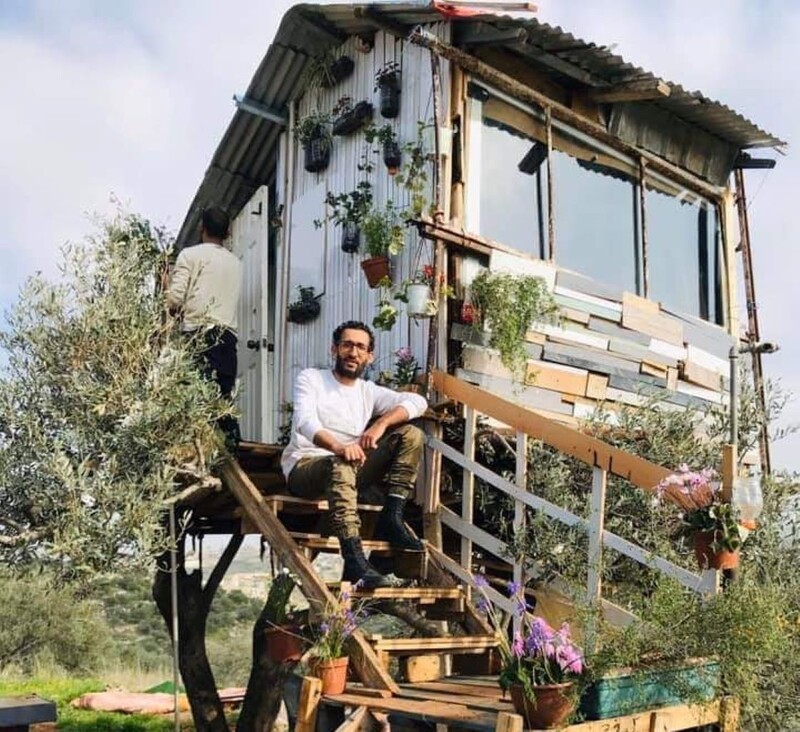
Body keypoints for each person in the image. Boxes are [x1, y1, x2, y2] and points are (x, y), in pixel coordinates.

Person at [281, 321, 428, 589]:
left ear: (369, 356)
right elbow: (304, 421)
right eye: (347, 345)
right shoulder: (312, 378)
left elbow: (418, 402)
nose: (353, 352)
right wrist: (338, 447)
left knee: (412, 434)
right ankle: (355, 560)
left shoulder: (367, 391)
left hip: (350, 468)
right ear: (334, 349)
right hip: (306, 467)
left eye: (361, 347)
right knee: (340, 465)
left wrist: (380, 424)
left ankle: (392, 515)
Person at [166, 206, 242, 444]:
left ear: (202, 228)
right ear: (228, 232)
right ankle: (232, 446)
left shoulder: (190, 255)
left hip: (199, 333)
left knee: (194, 396)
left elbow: (174, 301)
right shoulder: (236, 263)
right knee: (221, 398)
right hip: (227, 337)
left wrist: (166, 285)